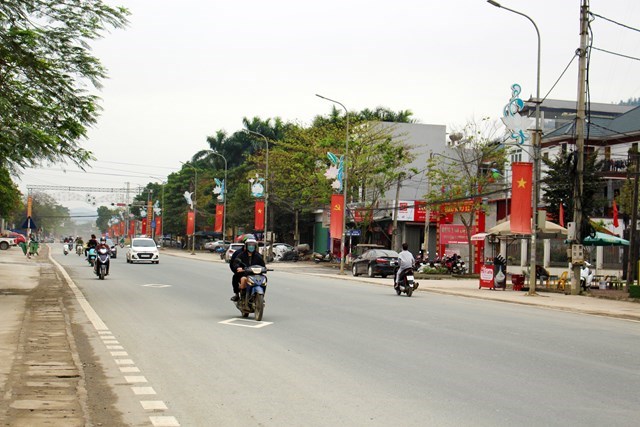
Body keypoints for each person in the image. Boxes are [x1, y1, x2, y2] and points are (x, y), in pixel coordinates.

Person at [229, 238, 265, 302]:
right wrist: (238, 268)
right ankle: (240, 296)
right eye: (249, 245)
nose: (251, 246)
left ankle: (260, 297)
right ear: (246, 246)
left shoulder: (258, 256)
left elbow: (263, 265)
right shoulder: (241, 255)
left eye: (253, 245)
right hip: (244, 274)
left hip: (255, 274)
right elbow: (236, 263)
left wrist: (264, 269)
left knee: (264, 280)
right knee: (241, 279)